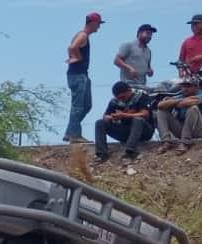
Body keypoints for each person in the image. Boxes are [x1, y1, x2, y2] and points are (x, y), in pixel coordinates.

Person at [64, 12, 103, 143]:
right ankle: (74, 135)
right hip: (78, 76)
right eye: (98, 24)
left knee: (87, 105)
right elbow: (72, 47)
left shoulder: (83, 35)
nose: (99, 27)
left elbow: (71, 48)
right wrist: (77, 57)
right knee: (78, 106)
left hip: (82, 75)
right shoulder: (83, 35)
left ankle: (71, 131)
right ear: (92, 23)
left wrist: (73, 56)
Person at [94, 81, 154, 163]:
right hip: (125, 131)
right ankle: (102, 154)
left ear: (129, 91)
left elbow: (145, 114)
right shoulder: (115, 102)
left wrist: (124, 115)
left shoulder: (141, 96)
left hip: (144, 131)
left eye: (123, 97)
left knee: (138, 119)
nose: (121, 100)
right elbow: (105, 116)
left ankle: (130, 152)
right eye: (118, 98)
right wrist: (112, 117)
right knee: (100, 123)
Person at [155, 76, 202, 153]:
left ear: (196, 87)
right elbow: (160, 105)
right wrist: (179, 101)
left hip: (198, 130)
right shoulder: (181, 96)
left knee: (193, 108)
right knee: (161, 112)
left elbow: (190, 103)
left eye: (188, 86)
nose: (185, 88)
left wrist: (174, 102)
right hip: (181, 130)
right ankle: (166, 142)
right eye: (183, 86)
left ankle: (185, 143)